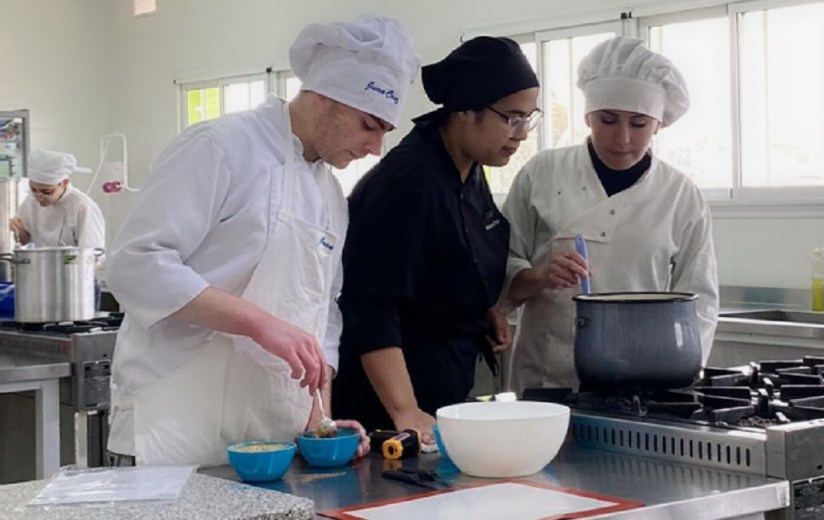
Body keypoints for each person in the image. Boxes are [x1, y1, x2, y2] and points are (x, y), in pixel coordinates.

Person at [104, 15, 421, 466]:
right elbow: (135, 264)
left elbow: (321, 315)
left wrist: (319, 420)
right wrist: (259, 323)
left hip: (270, 441)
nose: (375, 148)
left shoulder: (330, 195)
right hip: (175, 427)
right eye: (369, 124)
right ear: (324, 98)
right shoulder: (220, 147)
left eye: (384, 132)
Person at [332, 36, 540, 444]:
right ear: (465, 110)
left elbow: (449, 261)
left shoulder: (469, 168)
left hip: (440, 398)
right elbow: (370, 305)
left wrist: (482, 309)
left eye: (529, 119)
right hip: (386, 417)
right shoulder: (410, 182)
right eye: (511, 118)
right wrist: (404, 410)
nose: (522, 134)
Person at [502, 36, 719, 394]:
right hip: (546, 376)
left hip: (643, 380)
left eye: (639, 124)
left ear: (659, 124)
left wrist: (678, 378)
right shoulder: (543, 173)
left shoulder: (680, 195)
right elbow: (499, 264)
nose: (622, 137)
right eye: (607, 120)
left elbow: (700, 303)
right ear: (588, 116)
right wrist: (539, 275)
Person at [9, 148, 105, 251]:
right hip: (41, 264)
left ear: (64, 183)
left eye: (47, 192)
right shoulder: (31, 201)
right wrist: (18, 229)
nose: (39, 196)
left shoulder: (82, 206)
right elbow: (24, 240)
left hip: (72, 265)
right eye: (33, 189)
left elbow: (92, 254)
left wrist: (61, 261)